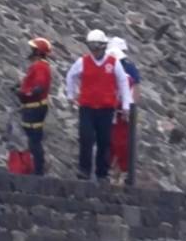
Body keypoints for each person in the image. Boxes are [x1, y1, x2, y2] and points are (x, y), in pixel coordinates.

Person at [65, 29, 132, 181]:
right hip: (87, 107)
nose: (94, 50)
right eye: (91, 46)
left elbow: (123, 82)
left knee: (104, 141)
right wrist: (71, 95)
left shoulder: (113, 63)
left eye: (96, 46)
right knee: (86, 138)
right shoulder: (82, 62)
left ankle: (102, 173)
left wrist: (126, 106)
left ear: (103, 46)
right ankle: (84, 169)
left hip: (106, 109)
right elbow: (71, 76)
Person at [107, 36, 142, 182]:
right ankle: (112, 172)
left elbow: (135, 89)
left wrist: (130, 107)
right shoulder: (111, 65)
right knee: (111, 141)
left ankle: (119, 172)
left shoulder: (128, 68)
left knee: (120, 143)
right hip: (112, 109)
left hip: (121, 110)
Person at [16, 37, 53, 175]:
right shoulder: (39, 66)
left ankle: (38, 170)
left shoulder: (40, 66)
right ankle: (37, 168)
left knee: (34, 140)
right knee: (33, 139)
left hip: (34, 107)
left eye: (33, 49)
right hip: (33, 106)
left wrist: (25, 93)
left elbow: (39, 87)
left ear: (38, 52)